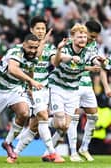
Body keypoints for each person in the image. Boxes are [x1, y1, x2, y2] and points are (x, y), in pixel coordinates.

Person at [3, 16, 65, 164]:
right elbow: (34, 57)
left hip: (44, 88)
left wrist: (59, 50)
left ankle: (14, 154)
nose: (41, 31)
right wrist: (42, 43)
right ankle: (53, 153)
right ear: (31, 29)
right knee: (43, 116)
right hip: (29, 87)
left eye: (43, 29)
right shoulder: (24, 47)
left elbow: (55, 63)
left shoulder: (49, 48)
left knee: (35, 126)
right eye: (38, 28)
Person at [0, 33, 43, 163]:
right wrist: (32, 81)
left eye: (35, 48)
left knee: (24, 113)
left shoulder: (34, 57)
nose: (33, 51)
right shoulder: (15, 51)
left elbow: (29, 70)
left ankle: (8, 143)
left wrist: (30, 87)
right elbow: (12, 69)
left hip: (15, 89)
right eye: (30, 47)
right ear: (24, 45)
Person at [43, 23, 102, 160]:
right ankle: (44, 121)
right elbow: (57, 62)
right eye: (79, 37)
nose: (83, 39)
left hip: (73, 89)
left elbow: (94, 60)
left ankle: (47, 123)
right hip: (57, 86)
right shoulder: (66, 46)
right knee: (60, 122)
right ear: (72, 38)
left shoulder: (88, 50)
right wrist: (62, 52)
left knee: (64, 126)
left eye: (84, 37)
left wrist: (101, 63)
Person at [67, 20, 103, 162]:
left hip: (86, 83)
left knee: (93, 117)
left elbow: (94, 59)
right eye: (91, 36)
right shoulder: (72, 43)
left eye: (95, 37)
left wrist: (100, 61)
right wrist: (89, 67)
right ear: (84, 31)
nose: (93, 40)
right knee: (73, 118)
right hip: (72, 83)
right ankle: (73, 151)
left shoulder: (92, 44)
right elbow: (71, 66)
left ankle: (84, 148)